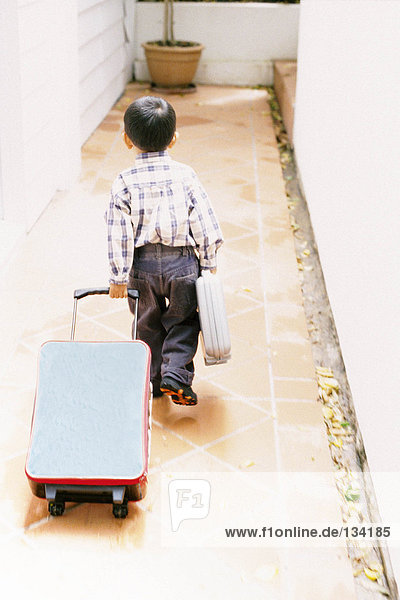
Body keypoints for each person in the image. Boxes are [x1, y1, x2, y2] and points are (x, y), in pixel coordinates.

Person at [105, 96, 223, 406]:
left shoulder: (123, 182)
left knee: (146, 321)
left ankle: (154, 380)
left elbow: (119, 232)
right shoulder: (186, 176)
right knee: (183, 320)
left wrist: (118, 276)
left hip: (141, 267)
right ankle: (176, 375)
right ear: (174, 139)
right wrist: (208, 261)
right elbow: (205, 222)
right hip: (181, 262)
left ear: (127, 140)